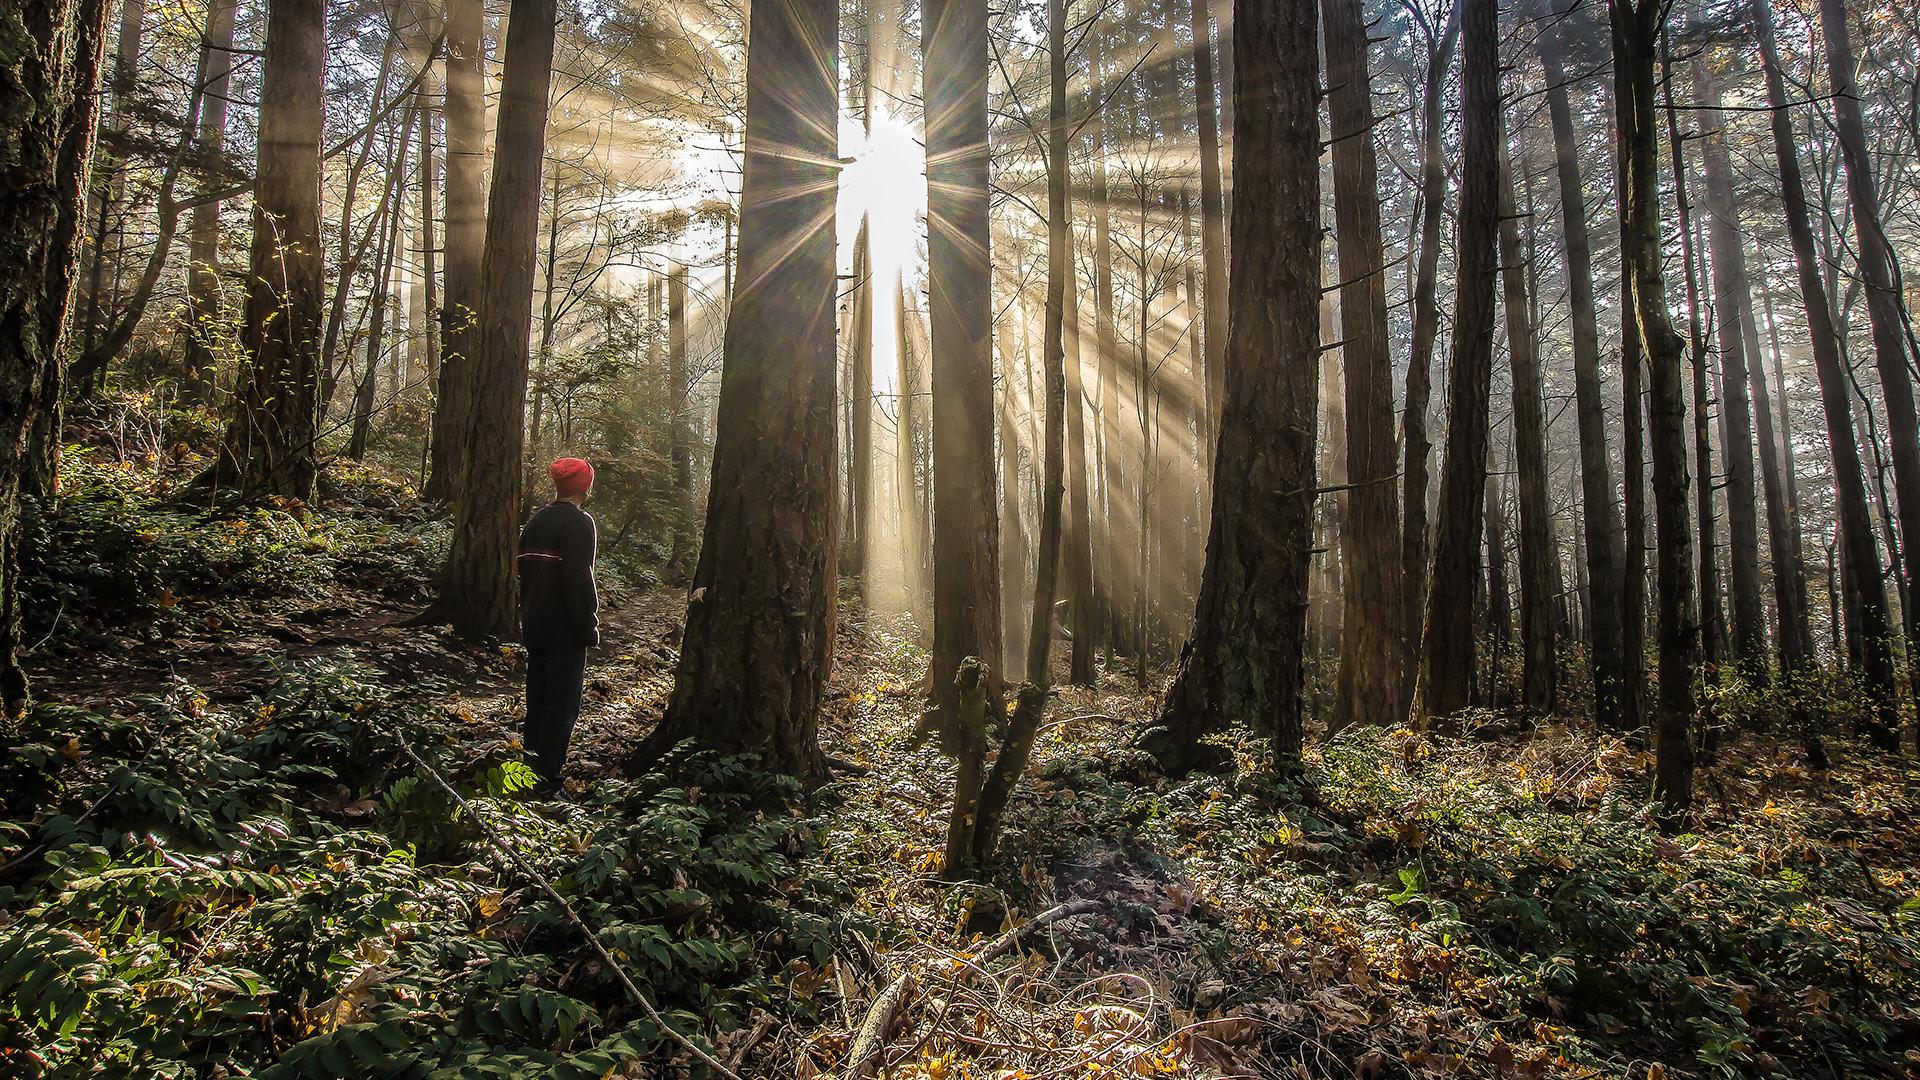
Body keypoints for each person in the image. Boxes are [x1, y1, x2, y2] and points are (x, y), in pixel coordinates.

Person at [517, 457, 600, 795]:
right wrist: (588, 624)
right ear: (585, 486)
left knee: (537, 699)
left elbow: (525, 573)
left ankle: (527, 770)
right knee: (563, 704)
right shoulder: (580, 523)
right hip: (564, 627)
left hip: (534, 624)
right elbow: (579, 578)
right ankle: (546, 780)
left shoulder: (535, 521)